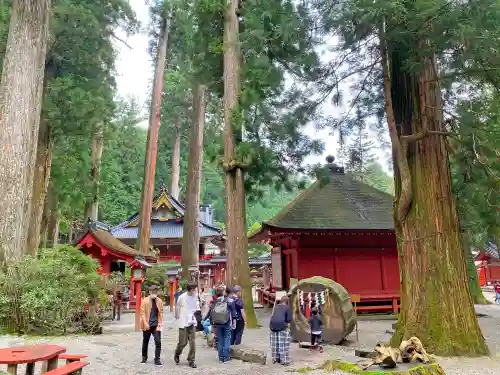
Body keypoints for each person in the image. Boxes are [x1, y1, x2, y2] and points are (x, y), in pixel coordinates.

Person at [174, 281, 199, 368]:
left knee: (192, 342)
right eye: (194, 289)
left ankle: (191, 360)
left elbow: (197, 307)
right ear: (191, 289)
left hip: (192, 322)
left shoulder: (195, 297)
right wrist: (177, 317)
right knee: (183, 342)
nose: (195, 291)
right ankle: (177, 353)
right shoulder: (182, 297)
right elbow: (177, 307)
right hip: (183, 322)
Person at [211, 286, 237, 363]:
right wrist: (234, 323)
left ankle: (220, 357)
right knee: (227, 339)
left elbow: (212, 311)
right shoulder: (230, 301)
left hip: (218, 322)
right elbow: (233, 313)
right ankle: (226, 357)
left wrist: (212, 322)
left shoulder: (217, 300)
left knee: (220, 340)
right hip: (226, 322)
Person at [140, 285, 164, 366]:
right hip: (147, 324)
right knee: (145, 341)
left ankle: (157, 359)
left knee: (158, 342)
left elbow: (161, 312)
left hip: (156, 325)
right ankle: (144, 357)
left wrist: (160, 323)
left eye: (155, 292)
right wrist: (145, 323)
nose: (154, 294)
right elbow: (142, 313)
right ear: (149, 292)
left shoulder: (159, 301)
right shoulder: (145, 301)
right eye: (153, 292)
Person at [269, 295, 292, 365]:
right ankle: (284, 360)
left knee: (275, 343)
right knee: (283, 343)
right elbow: (288, 320)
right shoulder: (287, 308)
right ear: (287, 302)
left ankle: (275, 358)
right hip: (282, 325)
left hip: (272, 325)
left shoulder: (276, 307)